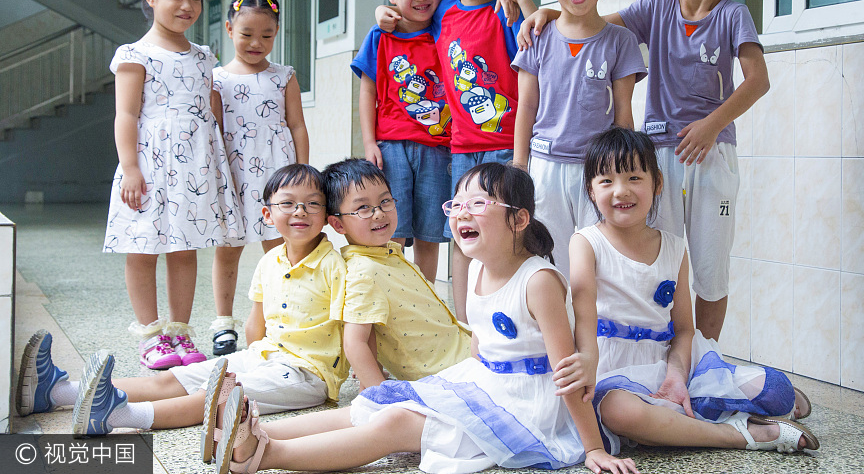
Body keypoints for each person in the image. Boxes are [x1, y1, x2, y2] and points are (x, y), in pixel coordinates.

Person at [208, 162, 639, 474]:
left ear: (519, 219)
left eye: (479, 203)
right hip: (485, 382)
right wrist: (454, 384)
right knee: (374, 403)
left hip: (529, 405)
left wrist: (593, 448)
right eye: (459, 204)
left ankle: (262, 456)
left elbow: (568, 377)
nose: (462, 213)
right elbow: (478, 345)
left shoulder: (539, 280)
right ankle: (252, 429)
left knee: (394, 423)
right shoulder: (477, 268)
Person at [519, 0, 770, 341]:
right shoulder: (655, 6)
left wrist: (712, 125)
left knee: (710, 266)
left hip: (710, 153)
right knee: (656, 259)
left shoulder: (733, 15)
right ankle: (661, 351)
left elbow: (757, 81)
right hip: (656, 158)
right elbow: (590, 22)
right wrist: (544, 11)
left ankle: (703, 359)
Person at [16, 164, 348, 441]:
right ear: (267, 213)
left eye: (312, 204)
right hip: (262, 356)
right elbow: (254, 323)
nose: (300, 211)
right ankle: (55, 392)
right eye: (288, 203)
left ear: (327, 215)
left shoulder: (336, 265)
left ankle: (116, 415)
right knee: (172, 379)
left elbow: (352, 329)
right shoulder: (270, 260)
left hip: (308, 376)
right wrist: (251, 360)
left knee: (215, 396)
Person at [561, 127, 817, 456]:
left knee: (778, 391)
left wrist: (676, 376)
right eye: (606, 181)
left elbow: (684, 330)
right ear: (591, 191)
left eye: (634, 178)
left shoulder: (672, 247)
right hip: (612, 370)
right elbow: (582, 317)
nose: (621, 191)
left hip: (670, 363)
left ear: (657, 183)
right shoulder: (585, 243)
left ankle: (682, 413)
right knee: (619, 412)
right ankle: (740, 434)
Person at [378, 0, 537, 323]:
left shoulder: (504, 13)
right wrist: (382, 11)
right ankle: (463, 324)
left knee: (508, 235)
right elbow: (406, 7)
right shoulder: (443, 12)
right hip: (461, 149)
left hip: (503, 146)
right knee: (460, 237)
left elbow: (539, 45)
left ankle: (508, 316)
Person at [102, 0, 244, 369]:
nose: (187, 5)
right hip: (149, 164)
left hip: (194, 167)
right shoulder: (135, 54)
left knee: (186, 248)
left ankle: (179, 332)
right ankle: (150, 335)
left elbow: (210, 113)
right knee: (143, 246)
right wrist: (130, 167)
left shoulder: (203, 56)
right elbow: (126, 115)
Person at [511, 0, 646, 277]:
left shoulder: (621, 42)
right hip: (545, 166)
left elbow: (623, 115)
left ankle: (591, 331)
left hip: (597, 170)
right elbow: (526, 106)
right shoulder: (536, 38)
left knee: (598, 261)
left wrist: (622, 174)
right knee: (548, 259)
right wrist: (520, 165)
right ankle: (555, 330)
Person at [208, 0, 310, 356]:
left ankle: (282, 321)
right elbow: (215, 132)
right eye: (247, 33)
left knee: (281, 249)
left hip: (278, 176)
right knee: (228, 249)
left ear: (277, 32)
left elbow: (297, 125)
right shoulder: (216, 79)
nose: (256, 43)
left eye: (266, 35)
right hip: (234, 175)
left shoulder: (284, 76)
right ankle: (224, 324)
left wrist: (301, 174)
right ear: (229, 28)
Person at [352, 0, 452, 284]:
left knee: (430, 232)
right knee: (391, 227)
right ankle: (393, 294)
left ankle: (425, 297)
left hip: (438, 148)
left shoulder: (446, 30)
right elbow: (367, 91)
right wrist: (369, 142)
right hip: (391, 147)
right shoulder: (379, 37)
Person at [323, 158, 471, 390]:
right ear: (338, 225)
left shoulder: (388, 252)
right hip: (448, 374)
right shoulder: (363, 271)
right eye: (363, 208)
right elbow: (354, 342)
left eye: (385, 201)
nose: (379, 213)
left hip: (462, 352)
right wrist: (378, 393)